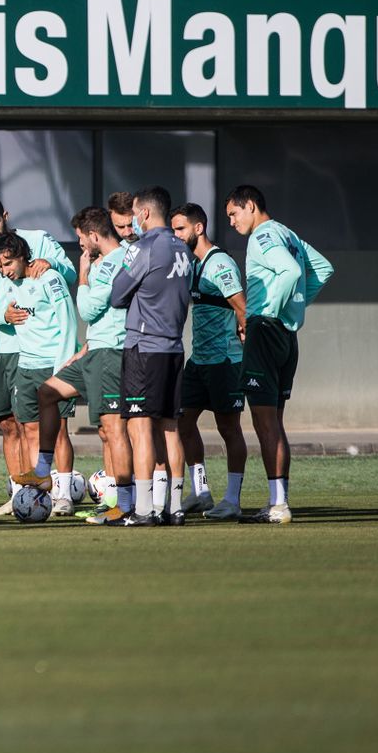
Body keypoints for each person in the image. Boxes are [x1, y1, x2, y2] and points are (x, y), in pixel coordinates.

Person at [224, 185, 334, 525]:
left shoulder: (262, 236)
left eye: (233, 213)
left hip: (266, 330)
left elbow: (292, 272)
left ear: (250, 206)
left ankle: (278, 505)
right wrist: (294, 306)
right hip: (287, 334)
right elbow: (323, 268)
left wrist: (269, 310)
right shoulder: (288, 233)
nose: (231, 222)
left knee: (264, 421)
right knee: (274, 420)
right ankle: (279, 501)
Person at [0, 196, 74, 517]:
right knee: (11, 425)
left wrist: (51, 264)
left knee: (57, 425)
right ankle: (21, 495)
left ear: (6, 216)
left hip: (41, 351)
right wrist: (2, 315)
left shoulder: (36, 239)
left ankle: (62, 493)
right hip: (1, 349)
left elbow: (69, 274)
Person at [38, 207, 132, 524]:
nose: (79, 244)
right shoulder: (111, 259)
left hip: (111, 353)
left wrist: (83, 274)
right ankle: (42, 471)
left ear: (94, 235)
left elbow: (88, 310)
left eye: (80, 238)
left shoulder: (113, 262)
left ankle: (123, 503)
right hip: (94, 350)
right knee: (47, 393)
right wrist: (85, 348)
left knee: (113, 429)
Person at [107, 186, 192, 527]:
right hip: (174, 348)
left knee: (139, 427)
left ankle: (143, 509)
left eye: (133, 214)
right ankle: (174, 508)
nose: (132, 221)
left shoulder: (144, 247)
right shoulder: (182, 247)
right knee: (170, 429)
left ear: (143, 213)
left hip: (144, 348)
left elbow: (117, 294)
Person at [0, 232, 78, 513]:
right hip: (25, 366)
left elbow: (69, 321)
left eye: (8, 263)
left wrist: (62, 368)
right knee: (28, 428)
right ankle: (38, 494)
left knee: (59, 430)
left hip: (53, 365)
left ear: (22, 256)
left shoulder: (49, 278)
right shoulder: (11, 284)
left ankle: (64, 495)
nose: (5, 270)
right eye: (0, 266)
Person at [170, 204, 247, 519]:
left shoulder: (220, 263)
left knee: (228, 428)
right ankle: (201, 492)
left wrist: (247, 339)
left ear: (198, 228)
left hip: (225, 361)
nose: (176, 235)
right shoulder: (193, 264)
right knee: (182, 423)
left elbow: (242, 307)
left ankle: (232, 500)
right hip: (199, 360)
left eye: (180, 229)